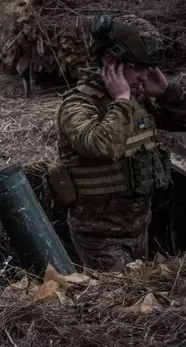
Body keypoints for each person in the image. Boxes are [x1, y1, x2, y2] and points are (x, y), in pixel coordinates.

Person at [55, 14, 186, 271]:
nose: (145, 75)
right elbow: (101, 147)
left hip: (139, 228)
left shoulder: (137, 100)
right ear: (110, 63)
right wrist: (122, 100)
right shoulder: (78, 105)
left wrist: (166, 92)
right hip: (100, 239)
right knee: (122, 304)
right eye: (138, 67)